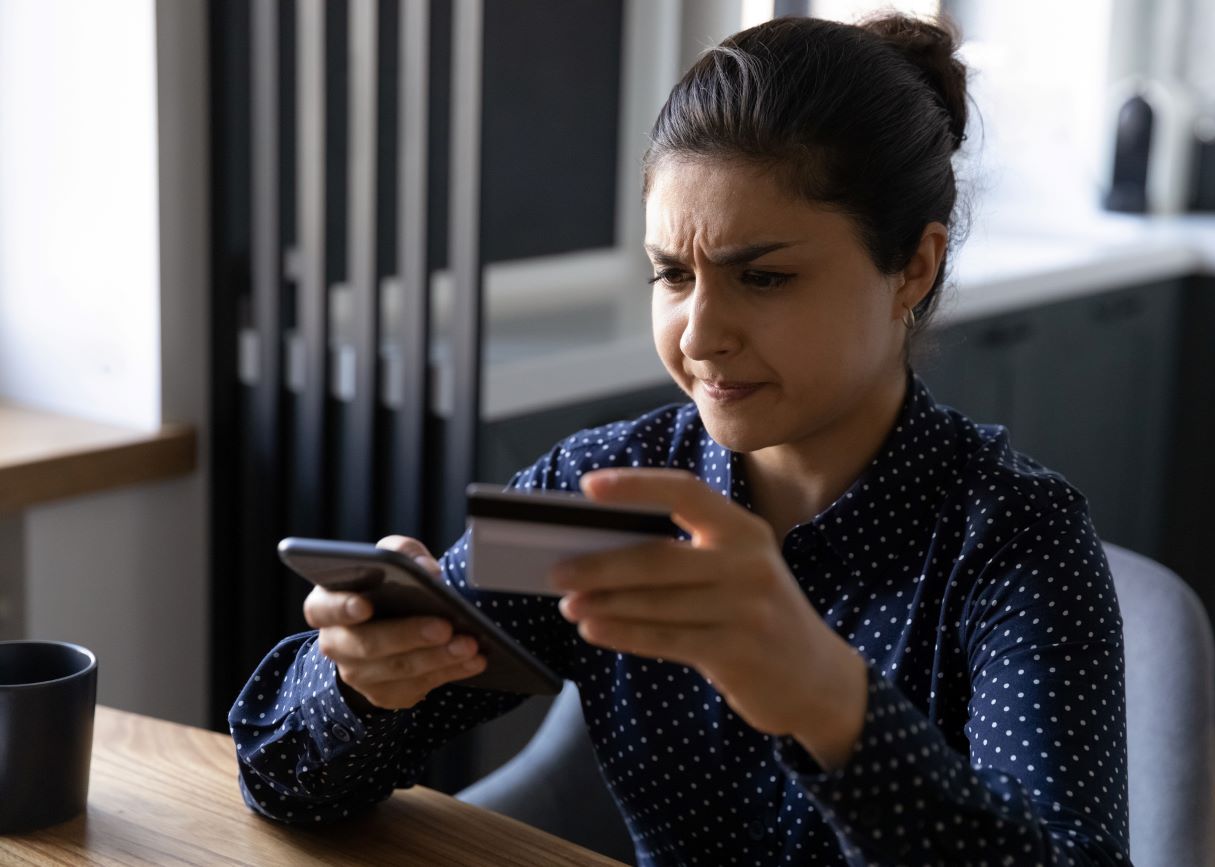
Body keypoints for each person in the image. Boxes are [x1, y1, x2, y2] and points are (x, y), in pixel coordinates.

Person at [230, 12, 1130, 866]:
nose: (699, 335)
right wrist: (360, 682)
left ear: (914, 266)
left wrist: (831, 701)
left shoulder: (1016, 543)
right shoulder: (602, 492)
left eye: (765, 277)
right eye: (672, 273)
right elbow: (279, 777)